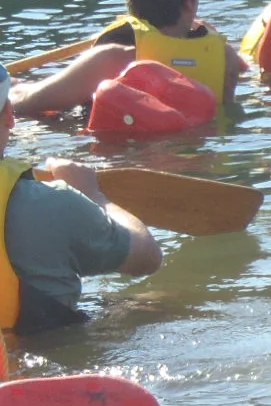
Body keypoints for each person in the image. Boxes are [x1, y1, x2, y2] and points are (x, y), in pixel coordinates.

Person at [0, 68, 162, 338]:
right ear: (9, 115)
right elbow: (147, 257)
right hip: (38, 364)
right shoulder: (50, 205)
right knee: (153, 302)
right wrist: (94, 194)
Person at [12, 0, 240, 117]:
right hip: (203, 164)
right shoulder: (226, 57)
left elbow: (24, 102)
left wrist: (13, 87)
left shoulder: (113, 59)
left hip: (124, 161)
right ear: (189, 2)